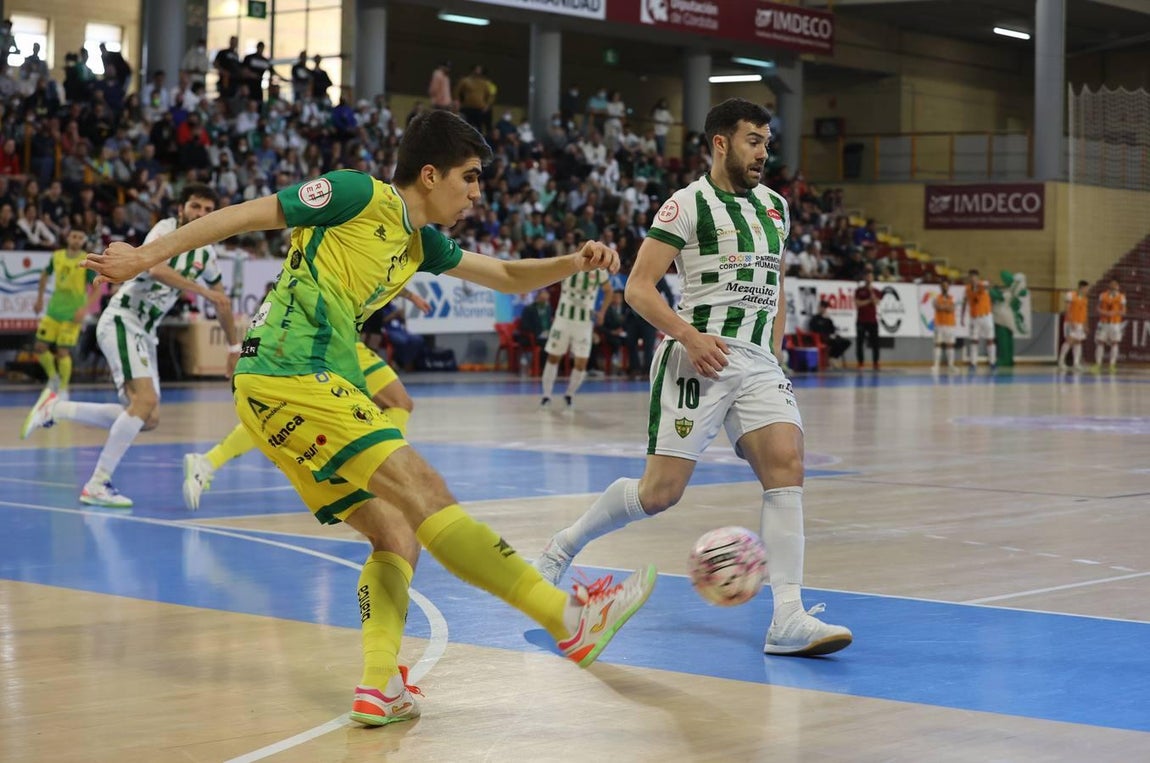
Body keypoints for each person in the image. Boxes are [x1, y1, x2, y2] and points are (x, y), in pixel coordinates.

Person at [80, 110, 657, 726]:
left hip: (279, 389)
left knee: (395, 533)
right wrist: (149, 254)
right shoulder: (359, 193)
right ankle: (569, 619)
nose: (477, 191)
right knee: (425, 492)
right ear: (429, 175)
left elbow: (508, 275)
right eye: (470, 177)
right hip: (295, 370)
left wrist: (575, 261)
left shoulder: (421, 242)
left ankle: (377, 686)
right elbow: (249, 213)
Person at [532, 98, 852, 658]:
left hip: (755, 362)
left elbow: (773, 286)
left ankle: (788, 617)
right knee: (660, 494)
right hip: (695, 357)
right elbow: (638, 288)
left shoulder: (776, 207)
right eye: (754, 141)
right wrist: (689, 336)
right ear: (720, 143)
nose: (763, 153)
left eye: (768, 142)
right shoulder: (684, 207)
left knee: (787, 466)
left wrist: (771, 353)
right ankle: (562, 547)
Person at [22, 184, 238, 508]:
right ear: (181, 210)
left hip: (144, 332)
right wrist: (205, 293)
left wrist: (235, 348)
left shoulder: (206, 255)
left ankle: (56, 409)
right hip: (123, 319)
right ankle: (96, 483)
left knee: (148, 417)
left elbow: (222, 302)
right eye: (195, 207)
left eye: (208, 211)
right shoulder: (165, 230)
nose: (201, 215)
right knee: (145, 401)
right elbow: (155, 267)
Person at [182, 291, 432, 511]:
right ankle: (386, 478)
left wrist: (407, 295)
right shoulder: (334, 253)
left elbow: (382, 279)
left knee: (395, 402)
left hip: (336, 338)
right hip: (329, 341)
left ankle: (207, 462)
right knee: (396, 401)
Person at [29, 229, 100, 398]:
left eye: (80, 237)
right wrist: (39, 299)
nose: (76, 239)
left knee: (62, 352)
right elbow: (44, 275)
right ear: (67, 238)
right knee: (39, 347)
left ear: (83, 241)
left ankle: (63, 388)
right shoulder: (57, 256)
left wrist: (85, 309)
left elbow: (97, 287)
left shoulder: (85, 260)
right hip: (54, 310)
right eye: (73, 236)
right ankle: (53, 378)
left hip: (72, 313)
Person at [539, 265, 612, 407]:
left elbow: (608, 291)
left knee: (581, 362)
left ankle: (569, 395)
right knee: (553, 357)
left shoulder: (600, 271)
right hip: (563, 319)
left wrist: (602, 312)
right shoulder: (570, 263)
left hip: (584, 323)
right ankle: (546, 395)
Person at [962, 268, 995, 370]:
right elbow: (965, 302)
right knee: (974, 340)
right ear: (969, 278)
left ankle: (992, 362)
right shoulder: (967, 289)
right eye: (971, 277)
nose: (972, 279)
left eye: (974, 277)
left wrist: (982, 285)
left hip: (986, 316)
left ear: (977, 277)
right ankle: (973, 363)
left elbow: (988, 284)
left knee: (990, 339)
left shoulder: (981, 285)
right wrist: (962, 316)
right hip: (974, 317)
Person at [1095, 278, 1126, 372]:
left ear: (1118, 286)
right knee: (1100, 342)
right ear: (1109, 285)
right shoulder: (1102, 295)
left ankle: (1112, 365)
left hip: (1115, 323)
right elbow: (1097, 308)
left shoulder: (1121, 297)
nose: (1114, 286)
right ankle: (1098, 364)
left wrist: (1115, 313)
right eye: (1112, 284)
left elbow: (1124, 311)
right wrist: (1104, 312)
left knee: (1115, 342)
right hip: (1103, 322)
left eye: (1115, 284)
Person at [808, 300, 849, 369]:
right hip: (820, 338)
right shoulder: (815, 318)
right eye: (822, 307)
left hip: (829, 337)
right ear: (819, 307)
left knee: (846, 342)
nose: (823, 309)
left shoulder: (828, 319)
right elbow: (813, 329)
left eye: (825, 307)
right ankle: (831, 358)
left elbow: (832, 330)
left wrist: (828, 320)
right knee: (835, 343)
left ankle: (833, 357)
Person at [1058, 280, 1089, 371]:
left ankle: (1076, 363)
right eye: (1086, 288)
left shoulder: (1085, 298)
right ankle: (1061, 361)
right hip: (1070, 322)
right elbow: (1067, 309)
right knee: (1069, 341)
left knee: (1078, 341)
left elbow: (1084, 312)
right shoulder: (1071, 295)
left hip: (1080, 323)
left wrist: (1085, 324)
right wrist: (1071, 322)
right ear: (1081, 288)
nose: (1087, 290)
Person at [854, 266, 880, 370]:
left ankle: (875, 363)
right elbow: (858, 304)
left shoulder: (876, 291)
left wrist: (871, 294)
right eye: (867, 276)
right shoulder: (859, 291)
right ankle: (860, 362)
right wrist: (868, 301)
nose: (869, 278)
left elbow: (876, 302)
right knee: (860, 343)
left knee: (875, 343)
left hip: (872, 320)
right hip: (861, 320)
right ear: (864, 278)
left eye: (870, 276)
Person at [931, 278, 958, 372]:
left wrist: (943, 307)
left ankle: (951, 365)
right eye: (943, 286)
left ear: (949, 287)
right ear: (940, 287)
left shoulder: (952, 297)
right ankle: (936, 365)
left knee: (950, 345)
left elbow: (952, 309)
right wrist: (946, 306)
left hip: (950, 324)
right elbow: (937, 307)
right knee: (937, 344)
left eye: (946, 286)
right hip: (939, 323)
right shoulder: (936, 297)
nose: (945, 287)